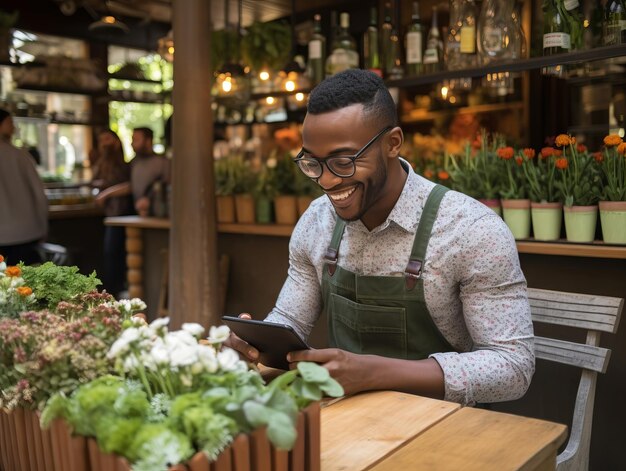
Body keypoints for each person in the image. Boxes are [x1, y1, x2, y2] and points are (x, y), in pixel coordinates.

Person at [226, 69, 534, 406]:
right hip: (346, 417)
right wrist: (256, 344)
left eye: (343, 162)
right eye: (314, 163)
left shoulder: (471, 230)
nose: (327, 181)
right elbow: (290, 320)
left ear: (393, 143)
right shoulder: (317, 222)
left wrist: (374, 373)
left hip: (441, 426)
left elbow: (513, 368)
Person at [0, 108, 48, 265]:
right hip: (26, 232)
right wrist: (43, 226)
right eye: (10, 123)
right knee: (25, 285)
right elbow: (39, 194)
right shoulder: (20, 155)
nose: (14, 127)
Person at [92, 129, 133, 297]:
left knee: (115, 253)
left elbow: (130, 186)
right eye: (101, 139)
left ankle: (114, 291)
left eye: (107, 139)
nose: (104, 143)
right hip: (108, 214)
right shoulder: (101, 162)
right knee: (110, 254)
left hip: (121, 213)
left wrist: (106, 193)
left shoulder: (124, 164)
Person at [130, 127, 170, 217]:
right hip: (138, 214)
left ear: (148, 141)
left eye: (136, 140)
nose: (132, 144)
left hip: (159, 214)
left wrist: (148, 199)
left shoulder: (162, 162)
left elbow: (165, 184)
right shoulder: (134, 162)